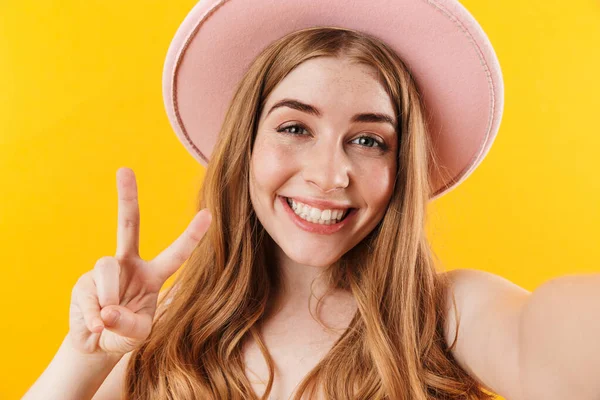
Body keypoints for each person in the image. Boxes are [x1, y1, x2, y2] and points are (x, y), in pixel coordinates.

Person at [26, 0, 586, 399]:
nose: (329, 175)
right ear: (245, 145)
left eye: (368, 140)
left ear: (401, 168)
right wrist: (89, 357)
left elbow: (562, 349)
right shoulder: (165, 328)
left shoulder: (448, 314)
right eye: (295, 127)